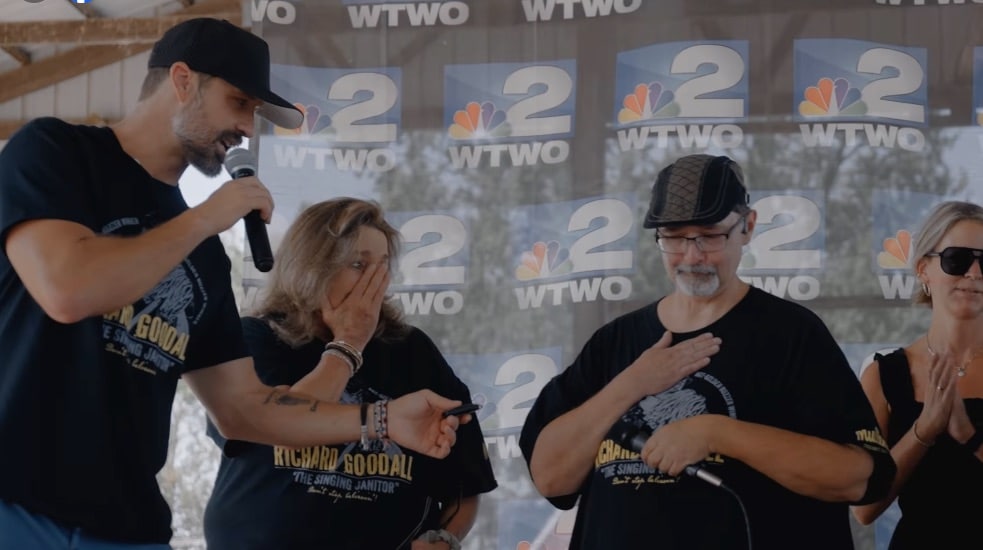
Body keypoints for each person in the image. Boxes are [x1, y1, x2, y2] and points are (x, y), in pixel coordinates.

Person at [0, 18, 467, 550]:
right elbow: (67, 288)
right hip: (15, 505)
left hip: (125, 528)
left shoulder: (202, 256)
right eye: (239, 102)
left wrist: (381, 419)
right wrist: (203, 218)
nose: (248, 127)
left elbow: (244, 411)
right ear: (182, 81)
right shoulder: (56, 152)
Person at [518, 154, 897, 550]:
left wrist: (718, 433)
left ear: (747, 227)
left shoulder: (790, 335)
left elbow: (859, 476)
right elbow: (550, 476)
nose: (692, 255)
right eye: (675, 238)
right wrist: (632, 383)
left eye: (710, 235)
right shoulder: (615, 342)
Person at [203, 198, 497, 549]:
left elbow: (463, 486)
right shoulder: (256, 337)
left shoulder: (412, 350)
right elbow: (283, 428)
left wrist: (445, 538)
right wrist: (348, 345)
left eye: (384, 266)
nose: (375, 279)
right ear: (311, 267)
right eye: (358, 264)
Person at [851, 201, 983, 549]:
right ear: (925, 269)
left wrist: (967, 434)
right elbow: (864, 508)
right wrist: (924, 430)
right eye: (958, 259)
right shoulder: (886, 374)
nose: (974, 272)